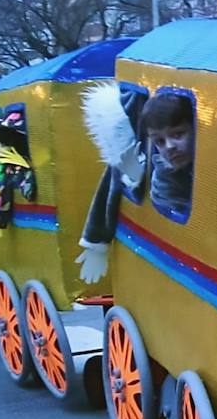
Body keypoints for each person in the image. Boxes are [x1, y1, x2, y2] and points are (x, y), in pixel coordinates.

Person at [76, 89, 194, 282]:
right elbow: (164, 198)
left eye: (178, 134)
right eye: (160, 141)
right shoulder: (162, 172)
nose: (170, 146)